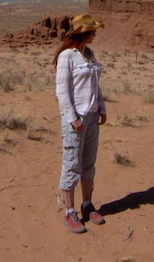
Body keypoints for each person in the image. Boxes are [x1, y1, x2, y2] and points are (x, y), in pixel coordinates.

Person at [53, 14, 107, 234]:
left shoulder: (90, 54)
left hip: (92, 118)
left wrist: (102, 108)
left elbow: (96, 86)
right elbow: (62, 91)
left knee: (88, 164)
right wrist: (72, 118)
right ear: (83, 32)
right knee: (72, 164)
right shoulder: (67, 56)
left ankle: (87, 205)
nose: (96, 33)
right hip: (76, 120)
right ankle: (69, 211)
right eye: (93, 30)